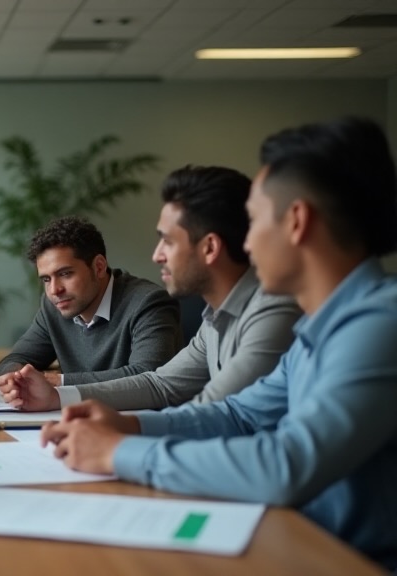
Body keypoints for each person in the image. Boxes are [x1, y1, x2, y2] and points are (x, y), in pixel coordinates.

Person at [42, 117, 397, 570]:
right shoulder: (319, 327)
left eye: (252, 222)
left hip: (351, 559)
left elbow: (286, 465)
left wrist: (117, 451)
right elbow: (240, 413)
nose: (244, 242)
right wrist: (130, 427)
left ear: (297, 222)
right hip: (298, 541)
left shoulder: (379, 323)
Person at [0, 166, 301, 411]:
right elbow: (160, 384)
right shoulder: (214, 319)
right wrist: (56, 397)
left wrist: (115, 443)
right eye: (46, 279)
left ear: (210, 247)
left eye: (167, 241)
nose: (156, 255)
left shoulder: (272, 309)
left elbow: (220, 416)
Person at [0, 216, 181, 390]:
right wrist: (16, 378)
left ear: (98, 267)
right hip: (73, 419)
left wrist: (59, 382)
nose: (54, 290)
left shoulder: (148, 302)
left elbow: (148, 375)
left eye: (65, 274)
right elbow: (14, 360)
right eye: (46, 279)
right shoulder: (53, 307)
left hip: (138, 422)